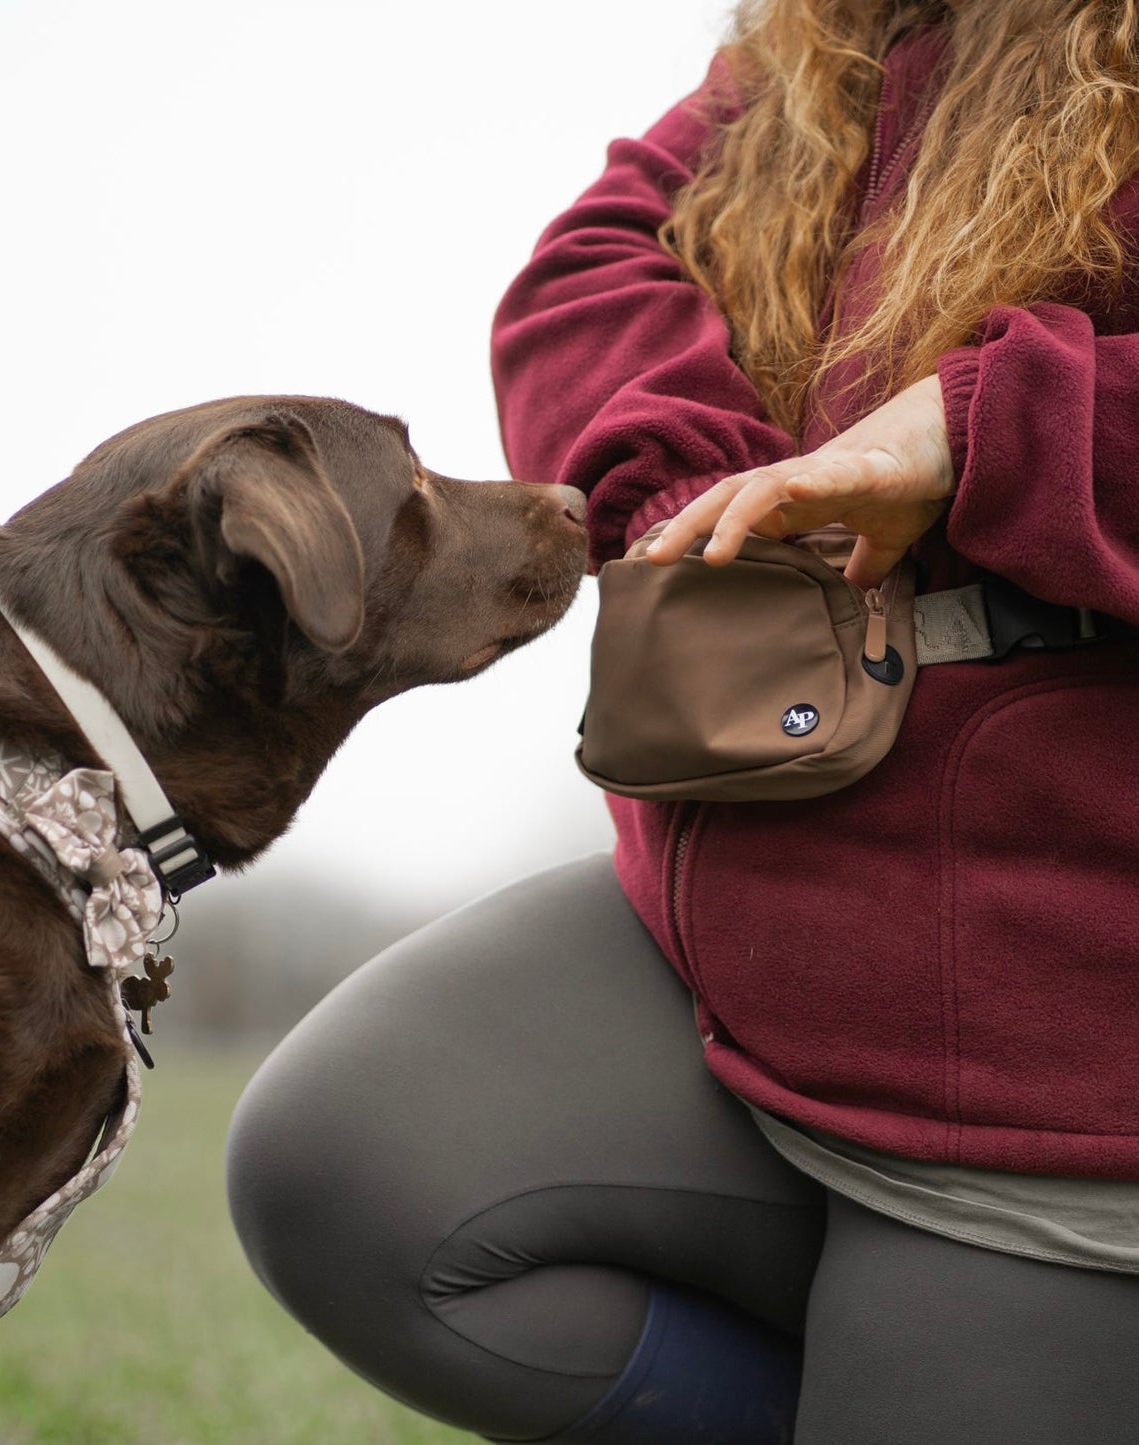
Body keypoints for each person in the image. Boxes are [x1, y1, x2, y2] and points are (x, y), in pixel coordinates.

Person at [225, 1, 1139, 1440]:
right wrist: (693, 497)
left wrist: (979, 432)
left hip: (1059, 1039)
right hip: (744, 916)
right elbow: (593, 259)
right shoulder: (829, 38)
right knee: (341, 1158)